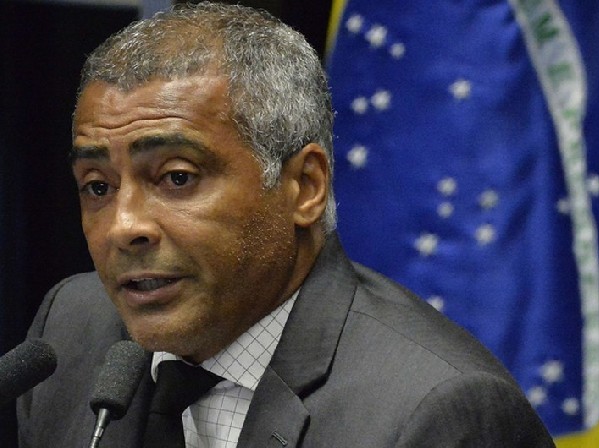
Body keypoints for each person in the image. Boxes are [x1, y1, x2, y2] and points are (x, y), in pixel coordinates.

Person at [17, 3, 555, 447]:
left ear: (305, 186)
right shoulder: (71, 329)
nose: (123, 226)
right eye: (98, 186)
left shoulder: (436, 413)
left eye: (177, 178)